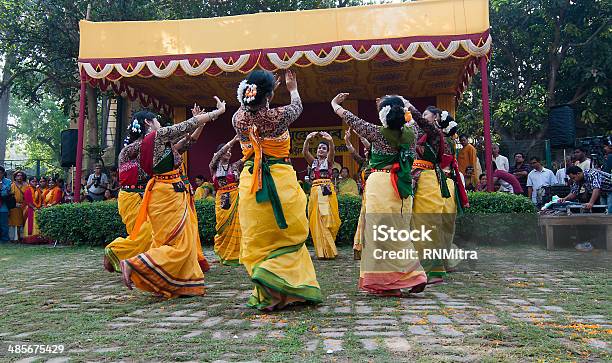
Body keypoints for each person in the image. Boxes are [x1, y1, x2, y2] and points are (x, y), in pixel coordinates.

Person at [233, 69, 321, 310]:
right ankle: (282, 283)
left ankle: (270, 288)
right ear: (269, 95)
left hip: (250, 183)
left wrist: (264, 91)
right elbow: (298, 106)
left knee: (260, 238)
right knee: (288, 237)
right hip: (280, 180)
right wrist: (292, 89)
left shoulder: (237, 119)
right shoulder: (276, 117)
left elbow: (247, 106)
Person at [119, 99, 224, 298]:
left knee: (175, 240)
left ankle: (172, 281)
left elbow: (188, 141)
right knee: (179, 243)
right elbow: (185, 127)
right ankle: (135, 263)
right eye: (156, 119)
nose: (159, 122)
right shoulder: (156, 138)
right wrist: (217, 112)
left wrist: (199, 122)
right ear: (149, 123)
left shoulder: (155, 146)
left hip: (166, 194)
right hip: (166, 194)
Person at [332, 93, 429, 296]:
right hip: (402, 187)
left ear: (383, 117)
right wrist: (406, 103)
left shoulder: (376, 132)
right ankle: (414, 274)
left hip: (380, 185)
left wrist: (335, 104)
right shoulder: (412, 131)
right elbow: (415, 118)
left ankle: (387, 285)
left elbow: (351, 118)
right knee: (399, 234)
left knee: (378, 236)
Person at [409, 105, 468, 285]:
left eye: (425, 114)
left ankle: (435, 269)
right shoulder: (421, 135)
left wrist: (409, 107)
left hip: (436, 181)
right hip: (425, 180)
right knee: (426, 225)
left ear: (435, 117)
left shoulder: (437, 136)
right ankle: (429, 266)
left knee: (433, 225)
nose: (422, 117)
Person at [303, 131, 340, 260]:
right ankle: (321, 251)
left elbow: (332, 152)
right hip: (315, 191)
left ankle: (329, 249)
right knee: (316, 220)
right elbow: (305, 153)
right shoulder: (313, 162)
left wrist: (330, 141)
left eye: (324, 148)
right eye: (319, 148)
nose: (321, 150)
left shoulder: (328, 161)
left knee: (327, 218)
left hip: (326, 189)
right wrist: (307, 139)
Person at [209, 135, 243, 266]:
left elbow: (247, 156)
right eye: (226, 151)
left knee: (238, 226)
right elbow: (216, 156)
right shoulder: (213, 167)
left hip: (235, 198)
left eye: (230, 151)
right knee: (223, 228)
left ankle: (238, 255)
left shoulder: (234, 166)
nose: (228, 153)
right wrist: (233, 141)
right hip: (222, 200)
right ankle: (224, 254)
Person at [22, 177, 43, 244]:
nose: (35, 183)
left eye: (36, 181)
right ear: (29, 182)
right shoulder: (27, 190)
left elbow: (40, 200)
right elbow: (28, 202)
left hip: (37, 209)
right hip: (30, 209)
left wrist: (39, 207)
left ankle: (38, 239)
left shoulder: (38, 190)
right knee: (31, 223)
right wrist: (35, 208)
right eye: (33, 181)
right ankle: (30, 239)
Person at [8, 171, 27, 241]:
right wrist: (14, 204)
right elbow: (9, 196)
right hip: (14, 206)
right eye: (18, 176)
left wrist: (23, 204)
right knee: (13, 223)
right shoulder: (11, 185)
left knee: (22, 223)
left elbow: (28, 197)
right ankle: (13, 238)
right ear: (15, 177)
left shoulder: (26, 185)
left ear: (23, 177)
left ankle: (21, 238)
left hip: (23, 206)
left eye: (21, 176)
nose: (19, 177)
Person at [0, 166, 12, 243]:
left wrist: (1, 186)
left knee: (3, 224)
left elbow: (6, 193)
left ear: (3, 173)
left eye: (0, 173)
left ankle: (4, 239)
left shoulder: (8, 181)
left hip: (3, 206)